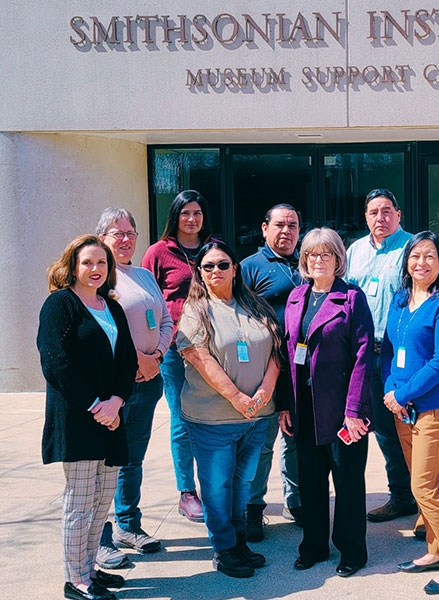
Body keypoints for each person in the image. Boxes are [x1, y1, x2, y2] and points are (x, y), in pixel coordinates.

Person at [37, 235, 138, 600]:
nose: (96, 269)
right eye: (88, 263)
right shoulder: (60, 305)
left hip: (111, 416)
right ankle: (75, 579)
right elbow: (56, 363)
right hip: (79, 417)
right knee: (80, 502)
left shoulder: (112, 307)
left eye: (102, 263)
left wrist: (116, 401)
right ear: (73, 266)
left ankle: (88, 566)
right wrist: (97, 405)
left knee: (102, 498)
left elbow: (127, 361)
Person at [176, 241, 282, 578]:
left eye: (223, 264)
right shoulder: (196, 310)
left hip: (257, 418)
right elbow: (199, 357)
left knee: (242, 484)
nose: (216, 271)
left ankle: (238, 543)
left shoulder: (256, 305)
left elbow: (278, 350)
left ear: (235, 268)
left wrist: (265, 390)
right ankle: (223, 549)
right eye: (208, 266)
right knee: (217, 487)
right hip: (213, 420)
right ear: (199, 273)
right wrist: (237, 397)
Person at [282, 228, 374, 578]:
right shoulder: (296, 297)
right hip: (304, 406)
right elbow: (287, 351)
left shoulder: (352, 298)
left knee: (348, 482)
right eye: (311, 255)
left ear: (338, 260)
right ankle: (314, 545)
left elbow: (364, 356)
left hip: (341, 409)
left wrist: (355, 411)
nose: (318, 261)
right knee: (311, 480)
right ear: (304, 260)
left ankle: (352, 550)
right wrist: (285, 406)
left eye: (326, 255)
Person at [382, 231, 439, 595]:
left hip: (431, 406)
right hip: (400, 407)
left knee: (424, 488)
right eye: (415, 256)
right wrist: (390, 390)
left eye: (430, 256)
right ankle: (434, 550)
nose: (422, 263)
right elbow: (387, 349)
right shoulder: (400, 300)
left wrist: (402, 393)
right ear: (406, 261)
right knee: (424, 488)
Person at [93, 209, 173, 569]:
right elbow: (103, 327)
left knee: (132, 458)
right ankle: (100, 536)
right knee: (105, 460)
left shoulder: (142, 274)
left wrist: (156, 353)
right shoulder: (98, 278)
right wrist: (138, 358)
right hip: (116, 386)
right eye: (116, 233)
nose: (125, 239)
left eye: (130, 232)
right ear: (102, 238)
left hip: (149, 381)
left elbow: (166, 318)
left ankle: (129, 525)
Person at [346, 188, 418, 523]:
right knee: (386, 431)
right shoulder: (355, 251)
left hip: (401, 354)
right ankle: (402, 495)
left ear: (398, 214)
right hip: (365, 352)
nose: (381, 218)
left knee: (412, 427)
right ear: (365, 216)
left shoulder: (412, 248)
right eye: (374, 212)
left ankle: (424, 498)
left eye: (387, 211)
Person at [141, 190, 213, 522]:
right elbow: (147, 301)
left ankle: (216, 488)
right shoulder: (158, 252)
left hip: (211, 346)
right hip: (175, 348)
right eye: (185, 213)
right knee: (182, 419)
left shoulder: (214, 249)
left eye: (197, 213)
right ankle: (187, 491)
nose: (191, 219)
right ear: (175, 216)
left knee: (213, 418)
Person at [241, 204, 304, 541]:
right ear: (264, 228)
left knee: (294, 438)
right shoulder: (249, 268)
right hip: (265, 369)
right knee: (262, 443)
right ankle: (254, 508)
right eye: (279, 224)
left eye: (293, 225)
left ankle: (295, 502)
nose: (286, 231)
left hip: (301, 370)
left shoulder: (307, 264)